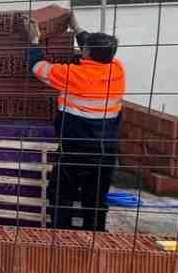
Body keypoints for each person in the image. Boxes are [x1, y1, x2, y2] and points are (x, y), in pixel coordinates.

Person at [27, 22, 126, 231]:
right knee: (96, 198)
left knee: (61, 195)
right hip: (106, 150)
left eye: (85, 48)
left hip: (75, 148)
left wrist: (34, 41)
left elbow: (38, 67)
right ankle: (96, 235)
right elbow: (95, 50)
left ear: (87, 53)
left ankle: (61, 235)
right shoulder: (116, 70)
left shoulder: (74, 75)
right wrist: (77, 27)